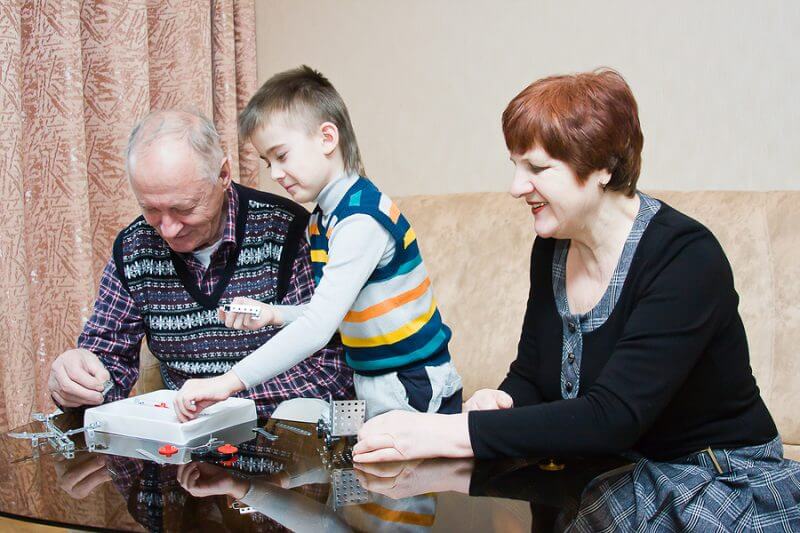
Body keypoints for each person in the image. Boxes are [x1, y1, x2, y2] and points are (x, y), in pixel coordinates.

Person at [352, 69, 800, 529]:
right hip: (612, 468)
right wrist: (501, 401)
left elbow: (613, 416)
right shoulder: (553, 245)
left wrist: (443, 431)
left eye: (538, 168)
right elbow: (532, 375)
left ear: (603, 166)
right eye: (515, 165)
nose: (515, 187)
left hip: (715, 480)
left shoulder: (686, 258)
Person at [173, 66, 463, 422]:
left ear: (327, 138)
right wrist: (274, 314)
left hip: (411, 381)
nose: (275, 173)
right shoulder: (323, 219)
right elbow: (331, 310)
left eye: (282, 156)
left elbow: (318, 327)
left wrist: (227, 382)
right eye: (268, 162)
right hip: (374, 379)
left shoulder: (361, 220)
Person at [47, 109, 353, 417]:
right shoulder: (134, 247)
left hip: (279, 431)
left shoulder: (289, 231)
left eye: (184, 208)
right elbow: (108, 361)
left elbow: (331, 370)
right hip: (185, 440)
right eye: (150, 209)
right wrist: (78, 381)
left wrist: (223, 397)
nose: (167, 229)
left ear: (223, 175)